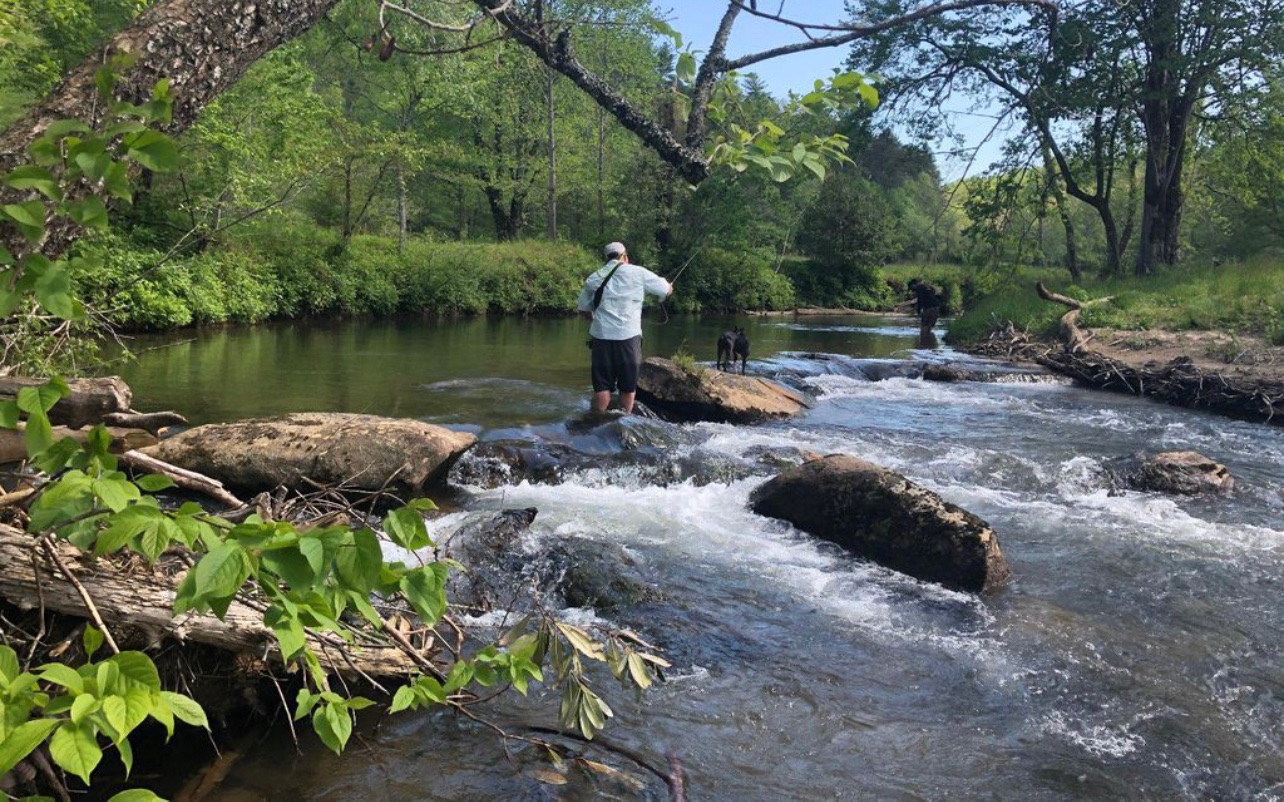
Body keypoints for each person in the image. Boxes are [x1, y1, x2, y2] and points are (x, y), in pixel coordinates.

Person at [576, 241, 672, 414]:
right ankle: (622, 424)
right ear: (625, 256)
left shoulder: (594, 278)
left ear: (607, 258)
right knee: (628, 387)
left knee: (602, 387)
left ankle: (597, 422)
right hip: (629, 338)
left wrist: (596, 321)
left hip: (601, 337)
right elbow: (665, 290)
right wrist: (670, 287)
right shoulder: (639, 272)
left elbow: (583, 310)